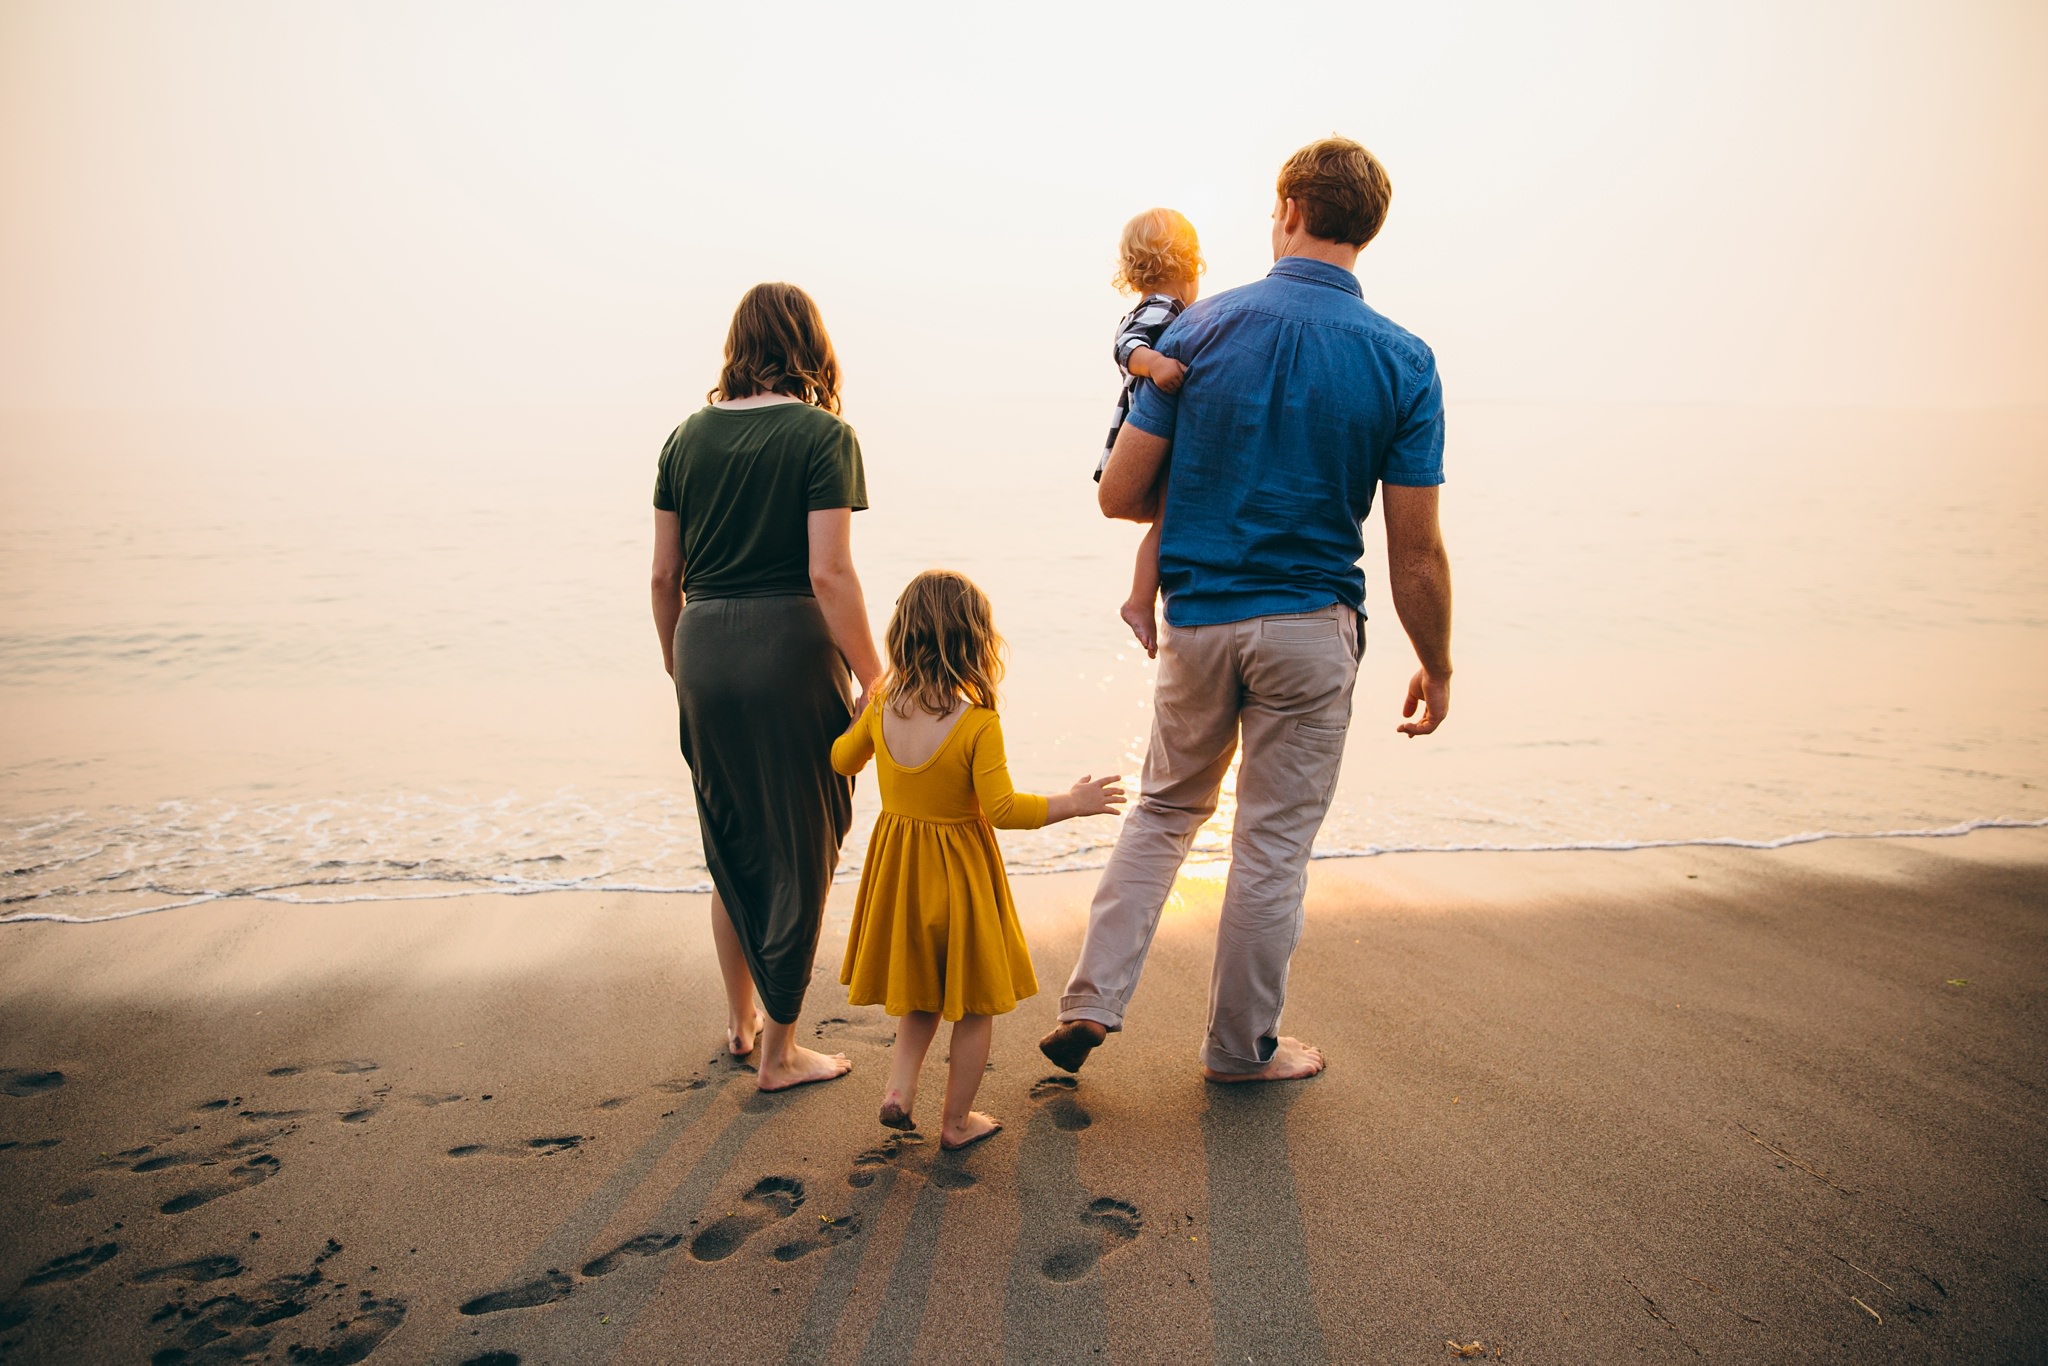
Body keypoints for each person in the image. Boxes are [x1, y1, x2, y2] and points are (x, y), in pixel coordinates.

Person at [1041, 136, 1456, 1084]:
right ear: (1369, 230)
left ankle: (1091, 1004)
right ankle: (1240, 1051)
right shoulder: (1404, 360)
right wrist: (1436, 661)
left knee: (1161, 814)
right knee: (1269, 846)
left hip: (1199, 618)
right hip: (1312, 626)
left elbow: (1118, 494)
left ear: (1287, 210)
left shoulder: (1193, 333)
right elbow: (1416, 552)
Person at [651, 281, 884, 1092]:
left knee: (734, 840)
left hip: (703, 644)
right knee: (802, 842)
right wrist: (874, 672)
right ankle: (783, 1055)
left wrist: (683, 668)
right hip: (788, 649)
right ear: (809, 344)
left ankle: (741, 1022)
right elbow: (829, 571)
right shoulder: (824, 436)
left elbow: (661, 575)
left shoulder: (684, 439)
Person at [832, 570, 1125, 1148]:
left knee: (918, 994)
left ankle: (898, 1090)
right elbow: (1004, 809)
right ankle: (956, 1123)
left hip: (899, 874)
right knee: (971, 1006)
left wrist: (860, 707)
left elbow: (843, 761)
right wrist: (1074, 802)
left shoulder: (882, 705)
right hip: (961, 879)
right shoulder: (977, 723)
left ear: (903, 634)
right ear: (975, 640)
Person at [1097, 208, 1204, 659]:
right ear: (1188, 265)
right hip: (1148, 436)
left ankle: (1141, 601)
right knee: (1164, 521)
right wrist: (1156, 364)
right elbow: (1125, 346)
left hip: (1153, 436)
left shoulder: (1166, 308)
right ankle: (1139, 601)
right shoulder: (1162, 307)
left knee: (1165, 522)